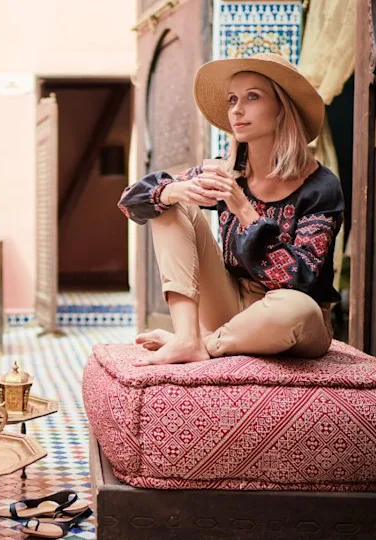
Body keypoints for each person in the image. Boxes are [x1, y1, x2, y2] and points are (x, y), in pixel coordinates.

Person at [118, 53, 344, 365]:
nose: (236, 109)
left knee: (297, 308)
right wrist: (174, 191)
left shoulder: (321, 187)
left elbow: (299, 280)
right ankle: (186, 338)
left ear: (282, 109)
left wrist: (244, 209)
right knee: (168, 204)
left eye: (253, 96)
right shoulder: (228, 171)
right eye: (232, 99)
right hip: (231, 305)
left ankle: (203, 342)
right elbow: (131, 201)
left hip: (291, 318)